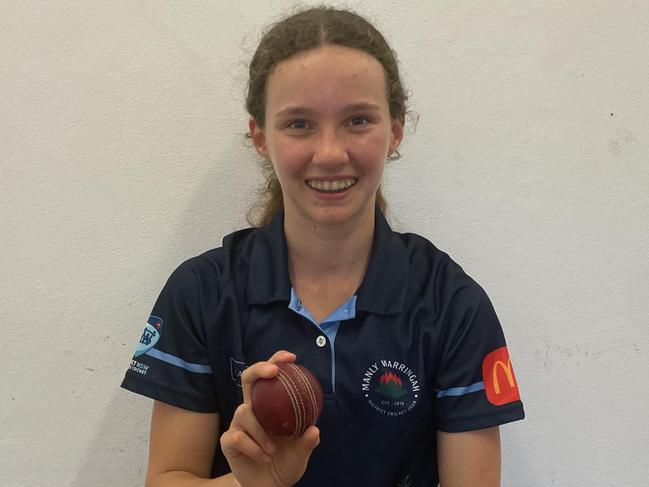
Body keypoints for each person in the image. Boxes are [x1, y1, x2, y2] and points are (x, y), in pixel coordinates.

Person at [121, 6, 525, 486]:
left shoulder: (452, 303)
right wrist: (257, 483)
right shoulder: (202, 291)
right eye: (298, 124)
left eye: (358, 120)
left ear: (395, 129)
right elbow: (166, 477)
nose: (330, 153)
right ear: (260, 136)